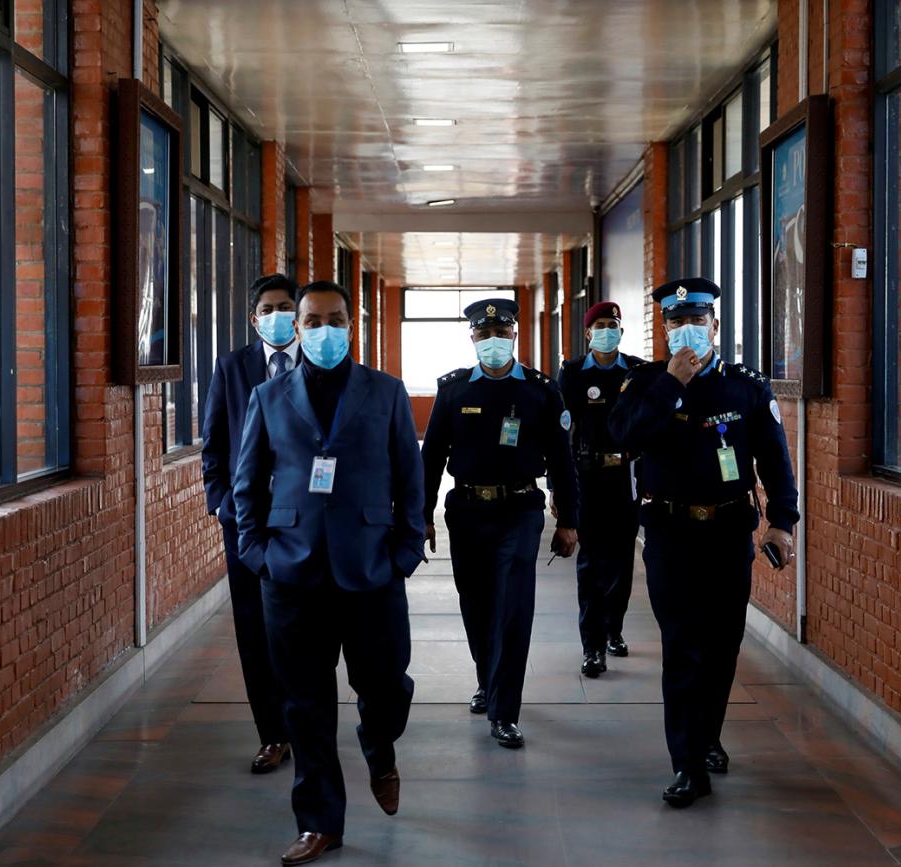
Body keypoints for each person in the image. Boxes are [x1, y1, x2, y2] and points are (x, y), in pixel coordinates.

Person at [233, 280, 425, 865]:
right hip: (292, 574)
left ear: (351, 324)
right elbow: (246, 484)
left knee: (386, 685)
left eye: (333, 319)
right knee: (304, 704)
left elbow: (410, 481)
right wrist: (258, 554)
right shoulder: (268, 397)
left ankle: (379, 744)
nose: (323, 331)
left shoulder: (386, 393)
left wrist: (405, 552)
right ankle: (319, 822)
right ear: (297, 328)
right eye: (312, 321)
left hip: (371, 569)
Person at [609, 277, 798, 808]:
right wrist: (671, 385)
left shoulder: (746, 387)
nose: (687, 331)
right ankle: (687, 764)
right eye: (676, 322)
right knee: (682, 648)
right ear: (664, 330)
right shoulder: (645, 383)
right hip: (669, 534)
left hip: (727, 532)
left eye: (697, 321)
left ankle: (707, 734)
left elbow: (776, 462)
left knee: (721, 646)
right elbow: (625, 436)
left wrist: (782, 523)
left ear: (715, 326)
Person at [421, 297, 579, 749]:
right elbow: (430, 458)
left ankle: (505, 711)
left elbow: (563, 461)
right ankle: (487, 681)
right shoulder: (453, 390)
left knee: (512, 608)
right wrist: (421, 517)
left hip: (520, 511)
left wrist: (569, 520)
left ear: (514, 335)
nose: (493, 340)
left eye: (501, 333)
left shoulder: (540, 390)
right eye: (483, 334)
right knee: (476, 605)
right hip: (467, 512)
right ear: (472, 337)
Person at [201, 273, 297, 775]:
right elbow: (214, 442)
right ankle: (273, 734)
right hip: (246, 523)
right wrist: (219, 502)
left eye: (286, 306)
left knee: (304, 625)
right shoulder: (233, 368)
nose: (278, 315)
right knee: (254, 628)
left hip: (304, 521)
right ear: (253, 318)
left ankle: (305, 720)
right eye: (269, 308)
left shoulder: (321, 366)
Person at [556, 301, 644, 678]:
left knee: (621, 561)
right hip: (586, 476)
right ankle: (592, 646)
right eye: (600, 325)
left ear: (621, 331)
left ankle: (614, 629)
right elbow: (559, 432)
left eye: (614, 324)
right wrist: (559, 492)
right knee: (590, 563)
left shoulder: (637, 371)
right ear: (588, 332)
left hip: (625, 478)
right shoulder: (573, 373)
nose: (607, 330)